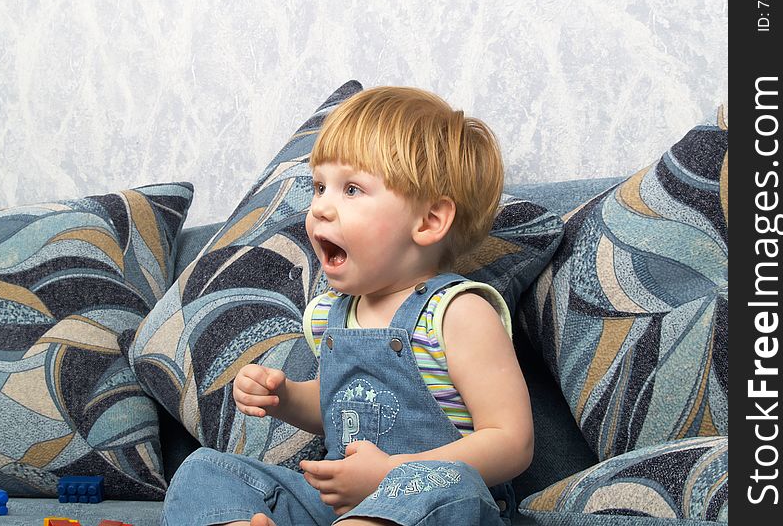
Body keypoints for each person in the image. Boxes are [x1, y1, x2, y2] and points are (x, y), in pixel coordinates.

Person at [162, 86, 534, 526]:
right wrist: (285, 398)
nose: (320, 208)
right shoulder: (332, 314)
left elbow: (512, 441)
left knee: (450, 485)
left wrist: (391, 474)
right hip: (340, 508)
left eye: (351, 189)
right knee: (206, 470)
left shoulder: (458, 313)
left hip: (430, 504)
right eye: (319, 187)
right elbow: (344, 406)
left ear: (429, 221)